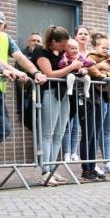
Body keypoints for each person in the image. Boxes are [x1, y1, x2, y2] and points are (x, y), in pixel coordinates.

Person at [0, 10, 47, 158]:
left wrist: (36, 73)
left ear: (4, 26)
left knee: (3, 130)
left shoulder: (6, 39)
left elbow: (20, 57)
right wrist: (10, 71)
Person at [31, 25, 74, 186]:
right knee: (47, 134)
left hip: (63, 95)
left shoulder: (62, 53)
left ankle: (52, 171)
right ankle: (45, 171)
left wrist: (79, 71)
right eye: (62, 44)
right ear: (53, 41)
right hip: (49, 93)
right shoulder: (40, 52)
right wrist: (72, 67)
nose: (65, 47)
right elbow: (49, 74)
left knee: (59, 134)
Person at [61, 26, 90, 163]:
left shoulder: (84, 55)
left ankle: (74, 152)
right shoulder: (66, 56)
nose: (83, 36)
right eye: (80, 33)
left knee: (76, 126)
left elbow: (89, 65)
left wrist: (86, 70)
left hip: (80, 96)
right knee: (67, 125)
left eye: (86, 34)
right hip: (69, 94)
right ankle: (66, 152)